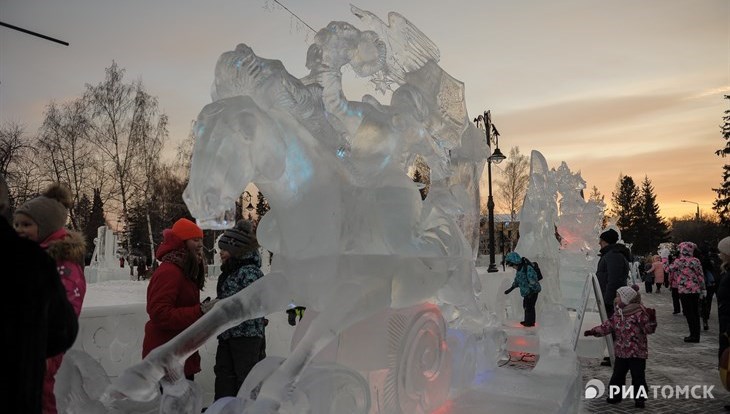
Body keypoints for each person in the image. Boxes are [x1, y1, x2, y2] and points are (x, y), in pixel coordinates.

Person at [1, 175, 79, 414]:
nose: (19, 230)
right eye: (17, 225)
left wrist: (43, 349)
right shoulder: (33, 258)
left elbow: (67, 309)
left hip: (45, 354)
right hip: (33, 354)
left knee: (45, 398)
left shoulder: (58, 262)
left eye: (27, 225)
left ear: (45, 227)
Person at [142, 217, 213, 382]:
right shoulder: (170, 271)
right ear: (182, 243)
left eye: (201, 240)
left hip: (178, 353)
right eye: (195, 240)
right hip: (167, 355)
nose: (200, 245)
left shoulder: (185, 269)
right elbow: (160, 313)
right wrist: (199, 311)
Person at [213, 220, 267, 400]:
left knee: (246, 379)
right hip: (228, 334)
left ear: (238, 250)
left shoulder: (249, 272)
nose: (220, 253)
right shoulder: (230, 271)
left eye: (225, 249)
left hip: (247, 337)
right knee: (224, 375)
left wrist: (222, 305)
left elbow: (253, 304)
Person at [584, 285, 655, 409]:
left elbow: (648, 329)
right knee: (617, 375)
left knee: (638, 376)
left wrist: (651, 320)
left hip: (637, 353)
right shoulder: (618, 314)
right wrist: (594, 331)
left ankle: (640, 399)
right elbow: (607, 326)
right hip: (621, 352)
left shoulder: (639, 313)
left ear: (626, 299)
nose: (616, 299)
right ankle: (615, 396)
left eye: (618, 296)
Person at [668, 241, 706, 343]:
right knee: (695, 313)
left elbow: (668, 269)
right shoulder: (696, 261)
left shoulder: (679, 261)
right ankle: (696, 335)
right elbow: (700, 276)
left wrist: (668, 259)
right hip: (695, 290)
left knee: (689, 314)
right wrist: (703, 289)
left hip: (684, 291)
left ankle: (692, 335)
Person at [595, 229, 630, 319]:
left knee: (614, 324)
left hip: (612, 301)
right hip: (609, 298)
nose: (599, 243)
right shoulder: (609, 254)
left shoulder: (614, 255)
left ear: (606, 241)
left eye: (601, 240)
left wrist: (608, 301)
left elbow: (615, 280)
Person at [503, 252, 541, 327]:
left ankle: (530, 322)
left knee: (529, 306)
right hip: (527, 292)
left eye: (512, 265)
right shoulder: (520, 270)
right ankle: (528, 320)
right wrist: (511, 288)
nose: (513, 267)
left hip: (532, 291)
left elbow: (533, 280)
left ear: (515, 262)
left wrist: (531, 290)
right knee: (526, 306)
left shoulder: (527, 268)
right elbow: (518, 280)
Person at [697, 245, 717, 331]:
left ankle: (701, 314)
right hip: (709, 283)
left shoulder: (697, 260)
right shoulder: (711, 259)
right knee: (707, 300)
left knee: (700, 300)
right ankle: (706, 315)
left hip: (700, 283)